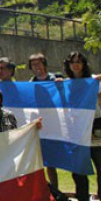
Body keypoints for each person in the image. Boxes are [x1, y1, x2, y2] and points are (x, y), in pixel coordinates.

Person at [64, 51, 101, 201]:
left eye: (79, 61)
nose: (76, 65)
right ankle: (83, 200)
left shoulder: (93, 81)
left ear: (84, 64)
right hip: (76, 127)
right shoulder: (66, 83)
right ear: (68, 65)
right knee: (78, 166)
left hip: (95, 126)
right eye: (73, 62)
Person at [27, 53, 62, 189]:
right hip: (38, 122)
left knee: (51, 161)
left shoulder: (55, 79)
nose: (36, 67)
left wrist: (60, 84)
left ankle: (55, 189)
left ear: (44, 64)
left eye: (38, 63)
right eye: (33, 64)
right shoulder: (31, 83)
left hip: (54, 122)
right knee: (39, 158)